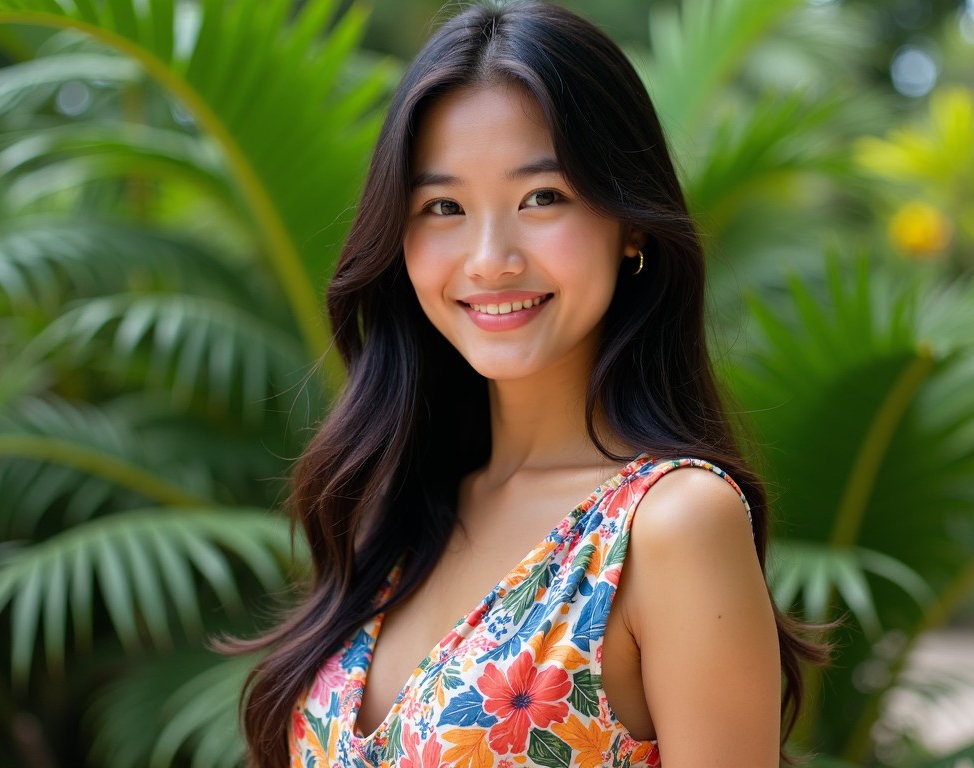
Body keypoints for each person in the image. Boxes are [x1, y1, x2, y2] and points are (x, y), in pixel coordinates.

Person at [236, 2, 822, 766]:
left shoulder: (671, 525)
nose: (489, 259)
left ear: (631, 222)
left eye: (542, 197)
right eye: (443, 206)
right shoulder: (395, 504)